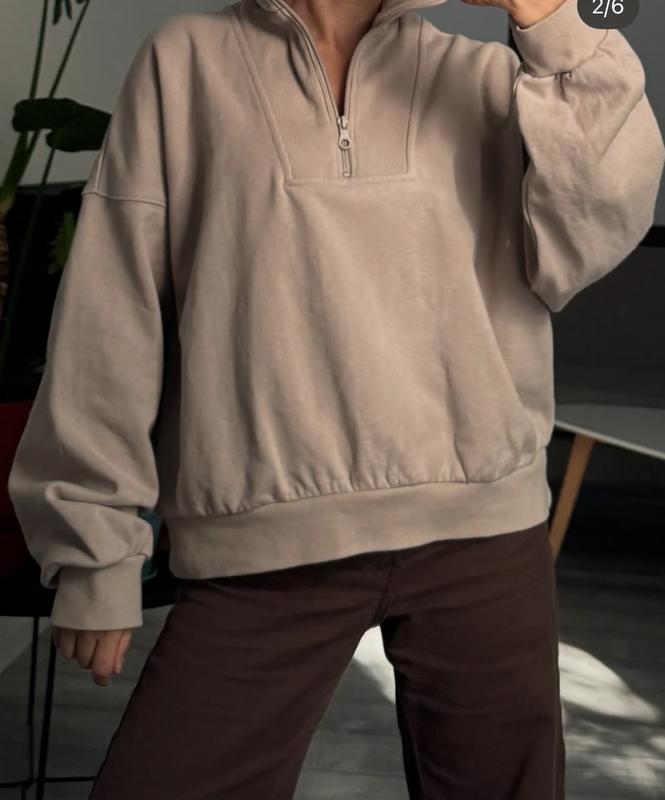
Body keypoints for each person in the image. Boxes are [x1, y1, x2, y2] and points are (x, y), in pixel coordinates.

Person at [8, 0, 664, 797]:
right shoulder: (184, 64)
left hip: (482, 538)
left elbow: (595, 232)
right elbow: (111, 315)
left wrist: (547, 15)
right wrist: (94, 550)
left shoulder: (486, 76)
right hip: (263, 541)